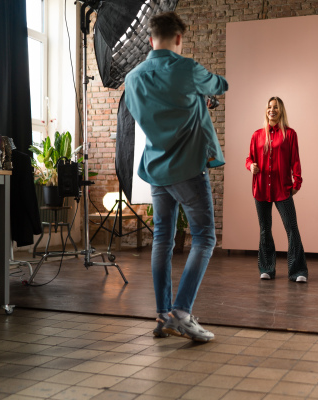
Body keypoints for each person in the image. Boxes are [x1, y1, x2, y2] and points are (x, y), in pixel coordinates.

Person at [125, 12, 228, 342]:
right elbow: (220, 86)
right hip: (187, 168)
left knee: (162, 240)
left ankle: (162, 315)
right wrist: (200, 94)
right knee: (204, 237)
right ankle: (181, 313)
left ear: (150, 38)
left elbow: (159, 113)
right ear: (179, 38)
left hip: (156, 168)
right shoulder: (187, 69)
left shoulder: (133, 78)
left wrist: (194, 102)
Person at [245, 97, 308, 282]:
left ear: (281, 111)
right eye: (269, 107)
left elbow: (295, 159)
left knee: (292, 229)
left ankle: (298, 271)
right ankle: (267, 269)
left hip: (282, 189)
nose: (272, 110)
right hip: (261, 188)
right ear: (266, 110)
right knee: (265, 229)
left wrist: (297, 183)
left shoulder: (290, 134)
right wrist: (251, 166)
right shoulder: (257, 135)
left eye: (276, 107)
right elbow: (249, 158)